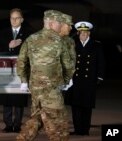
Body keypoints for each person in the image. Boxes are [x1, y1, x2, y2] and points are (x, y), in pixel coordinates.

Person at [16, 10, 75, 141]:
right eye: (59, 23)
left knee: (37, 118)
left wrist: (24, 81)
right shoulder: (58, 40)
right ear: (52, 23)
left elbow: (21, 62)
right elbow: (68, 65)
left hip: (35, 88)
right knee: (58, 124)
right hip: (51, 89)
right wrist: (65, 81)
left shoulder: (31, 39)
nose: (61, 26)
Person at [0, 8, 33, 133]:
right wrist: (9, 46)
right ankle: (8, 124)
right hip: (7, 71)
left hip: (21, 71)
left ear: (22, 19)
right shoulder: (3, 33)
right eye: (12, 18)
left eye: (17, 18)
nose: (14, 20)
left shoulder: (29, 33)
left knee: (19, 98)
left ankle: (18, 124)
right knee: (8, 97)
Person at [70, 21, 105, 136]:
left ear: (89, 33)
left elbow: (101, 62)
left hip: (89, 80)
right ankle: (77, 129)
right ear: (78, 33)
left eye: (86, 33)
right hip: (75, 80)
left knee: (86, 106)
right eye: (81, 33)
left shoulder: (96, 45)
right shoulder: (73, 44)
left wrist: (100, 77)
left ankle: (85, 130)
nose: (83, 35)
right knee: (75, 106)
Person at [59, 13, 76, 105]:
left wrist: (69, 77)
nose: (71, 27)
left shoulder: (70, 41)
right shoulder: (48, 39)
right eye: (69, 25)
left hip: (62, 78)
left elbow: (72, 59)